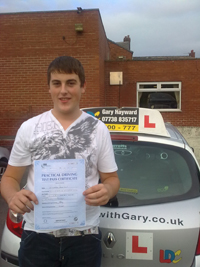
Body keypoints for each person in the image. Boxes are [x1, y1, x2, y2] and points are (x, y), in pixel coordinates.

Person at [1, 56, 120, 267]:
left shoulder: (98, 129)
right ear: (49, 87)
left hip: (84, 236)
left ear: (83, 86)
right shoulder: (30, 128)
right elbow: (9, 177)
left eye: (71, 83)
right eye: (57, 83)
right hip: (37, 236)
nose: (63, 90)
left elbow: (111, 178)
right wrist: (12, 197)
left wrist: (108, 191)